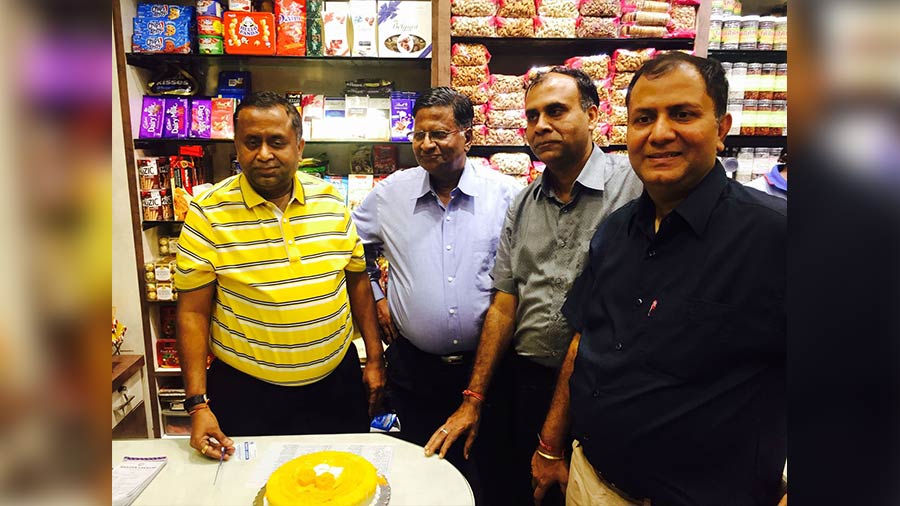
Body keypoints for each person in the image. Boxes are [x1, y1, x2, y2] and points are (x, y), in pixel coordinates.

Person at [531, 52, 787, 506]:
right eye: (644, 118)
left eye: (683, 114)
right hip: (592, 482)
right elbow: (583, 341)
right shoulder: (615, 230)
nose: (660, 133)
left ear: (721, 128)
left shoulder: (777, 235)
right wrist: (550, 444)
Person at [424, 67, 643, 506]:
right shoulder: (523, 203)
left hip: (605, 389)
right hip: (524, 382)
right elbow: (506, 302)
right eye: (532, 116)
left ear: (594, 115)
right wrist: (474, 398)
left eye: (556, 111)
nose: (540, 125)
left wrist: (551, 443)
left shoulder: (636, 189)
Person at [174, 91, 386, 461]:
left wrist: (374, 360)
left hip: (335, 385)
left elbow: (357, 283)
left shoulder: (332, 201)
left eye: (277, 142)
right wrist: (197, 404)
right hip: (248, 394)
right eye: (251, 142)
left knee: (342, 485)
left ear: (300, 147)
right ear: (236, 147)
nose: (264, 154)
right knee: (251, 490)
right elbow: (192, 312)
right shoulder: (208, 213)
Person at [351, 87, 521, 498]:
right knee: (424, 473)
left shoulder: (506, 196)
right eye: (419, 134)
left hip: (491, 369)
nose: (427, 144)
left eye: (440, 134)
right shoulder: (391, 194)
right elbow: (353, 248)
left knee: (494, 471)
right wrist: (376, 294)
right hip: (417, 372)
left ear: (468, 136)